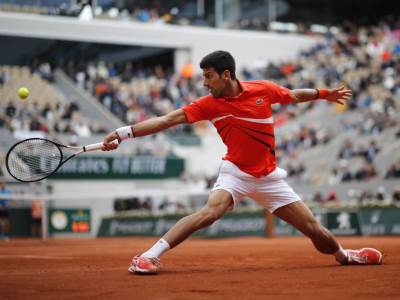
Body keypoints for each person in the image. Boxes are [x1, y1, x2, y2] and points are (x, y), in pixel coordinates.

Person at [102, 51, 383, 274]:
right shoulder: (207, 104)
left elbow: (295, 95)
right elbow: (166, 120)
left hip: (269, 177)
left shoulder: (263, 90)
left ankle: (345, 255)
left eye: (209, 76)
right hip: (235, 173)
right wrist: (124, 133)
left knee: (315, 230)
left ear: (227, 75)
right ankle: (149, 256)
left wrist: (324, 94)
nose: (204, 82)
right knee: (209, 213)